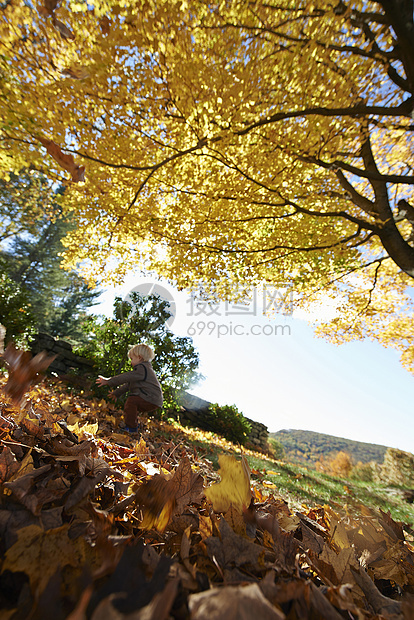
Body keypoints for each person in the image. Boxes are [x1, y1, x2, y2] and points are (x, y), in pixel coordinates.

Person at [96, 343, 163, 433]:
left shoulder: (142, 368)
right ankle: (134, 424)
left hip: (150, 397)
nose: (131, 362)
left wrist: (109, 381)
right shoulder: (144, 370)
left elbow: (126, 377)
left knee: (131, 402)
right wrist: (117, 393)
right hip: (153, 399)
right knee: (132, 406)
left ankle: (132, 428)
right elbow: (129, 385)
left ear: (139, 358)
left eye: (132, 359)